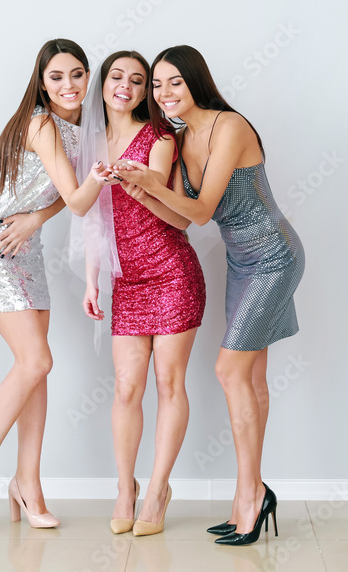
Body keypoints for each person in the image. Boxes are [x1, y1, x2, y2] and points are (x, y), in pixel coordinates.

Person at [113, 45, 304, 546]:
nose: (163, 93)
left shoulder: (229, 127)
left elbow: (200, 214)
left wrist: (153, 179)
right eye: (156, 85)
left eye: (174, 82)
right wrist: (138, 187)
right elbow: (177, 215)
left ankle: (249, 495)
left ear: (197, 81)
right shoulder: (179, 137)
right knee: (252, 378)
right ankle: (252, 493)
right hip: (241, 263)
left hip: (274, 257)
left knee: (228, 370)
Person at [0, 39, 116, 534]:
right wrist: (98, 180)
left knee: (34, 368)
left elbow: (64, 196)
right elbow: (81, 201)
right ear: (42, 83)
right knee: (36, 360)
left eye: (77, 74)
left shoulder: (85, 127)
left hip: (26, 246)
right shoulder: (40, 121)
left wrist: (38, 216)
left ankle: (27, 484)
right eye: (57, 77)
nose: (69, 85)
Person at [74, 50, 206, 536]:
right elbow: (91, 219)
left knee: (170, 383)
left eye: (138, 79)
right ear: (102, 85)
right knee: (127, 388)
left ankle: (156, 492)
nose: (126, 86)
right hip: (125, 281)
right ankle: (125, 488)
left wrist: (135, 184)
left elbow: (176, 215)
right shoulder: (91, 144)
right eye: (117, 77)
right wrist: (92, 279)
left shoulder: (160, 137)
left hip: (171, 272)